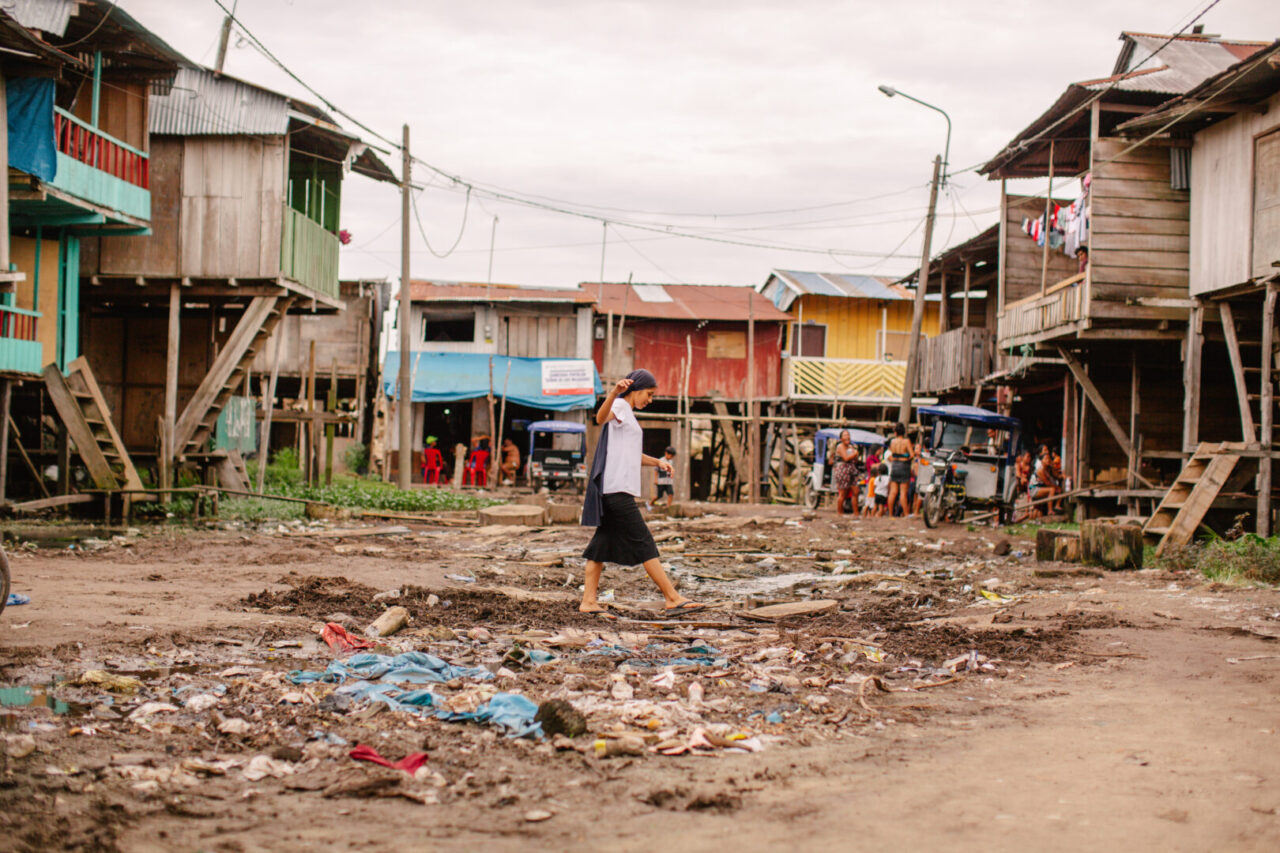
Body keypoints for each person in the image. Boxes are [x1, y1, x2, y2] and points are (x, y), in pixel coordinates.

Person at [580, 370, 704, 617]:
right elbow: (600, 418)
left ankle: (589, 601)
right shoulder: (620, 406)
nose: (650, 399)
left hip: (615, 490)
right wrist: (614, 392)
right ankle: (672, 597)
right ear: (636, 390)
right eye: (649, 394)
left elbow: (630, 456)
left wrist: (657, 463)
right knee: (644, 542)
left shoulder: (628, 416)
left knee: (600, 547)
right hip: (617, 491)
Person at [887, 423, 914, 518]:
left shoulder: (892, 442)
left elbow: (890, 454)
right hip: (904, 466)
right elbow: (912, 454)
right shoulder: (906, 441)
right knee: (903, 493)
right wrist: (905, 458)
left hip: (895, 465)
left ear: (895, 432)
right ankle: (906, 514)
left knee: (893, 492)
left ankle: (890, 514)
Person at [832, 430, 860, 516]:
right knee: (843, 493)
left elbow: (854, 459)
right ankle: (840, 513)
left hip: (851, 469)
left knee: (856, 491)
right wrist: (855, 453)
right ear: (841, 438)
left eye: (848, 435)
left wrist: (855, 455)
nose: (847, 436)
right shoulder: (840, 447)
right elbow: (846, 458)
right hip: (843, 470)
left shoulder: (850, 447)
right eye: (845, 435)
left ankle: (856, 513)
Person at [1029, 445, 1060, 518]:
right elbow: (1047, 483)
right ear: (1041, 460)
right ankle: (1050, 510)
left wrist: (1052, 467)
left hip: (1040, 488)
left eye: (1049, 459)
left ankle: (1056, 506)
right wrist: (1056, 487)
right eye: (1046, 459)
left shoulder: (1046, 470)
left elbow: (1055, 476)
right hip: (1034, 489)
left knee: (1056, 489)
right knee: (1052, 489)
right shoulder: (1040, 470)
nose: (1048, 460)